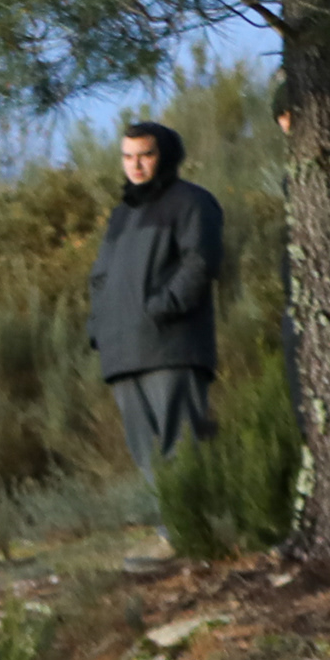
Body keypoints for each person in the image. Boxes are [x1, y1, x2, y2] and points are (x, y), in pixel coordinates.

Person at [90, 120, 225, 474]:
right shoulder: (121, 215)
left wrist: (160, 309)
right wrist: (100, 328)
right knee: (147, 459)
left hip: (172, 348)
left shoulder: (192, 202)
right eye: (128, 157)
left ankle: (192, 528)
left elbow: (200, 264)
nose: (135, 165)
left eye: (145, 155)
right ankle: (167, 528)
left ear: (163, 156)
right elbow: (101, 276)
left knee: (183, 451)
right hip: (122, 352)